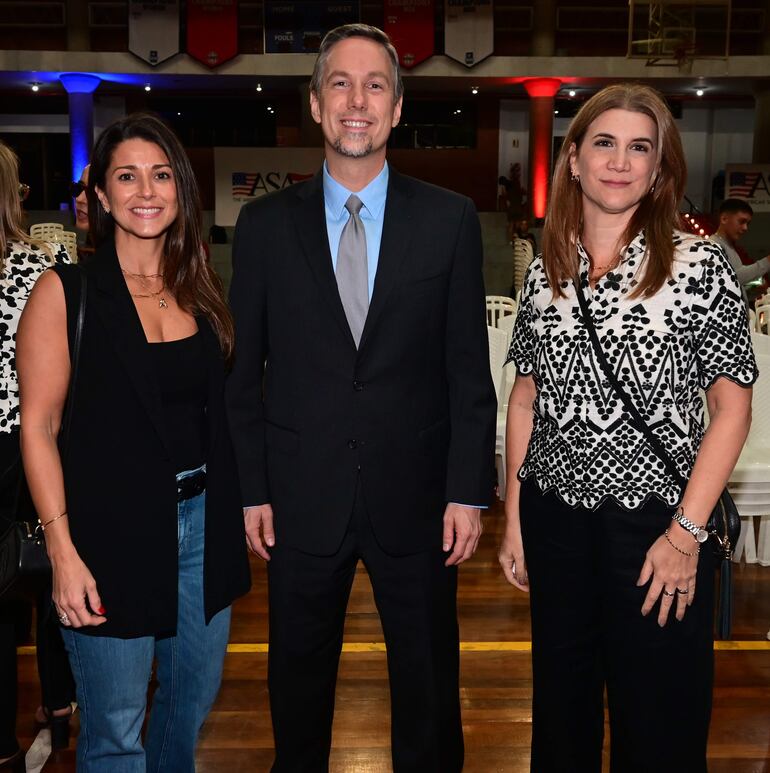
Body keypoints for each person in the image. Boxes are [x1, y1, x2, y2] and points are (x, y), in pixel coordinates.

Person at [226, 23, 496, 773]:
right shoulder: (263, 226)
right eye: (339, 84)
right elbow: (242, 376)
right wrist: (251, 489)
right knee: (297, 689)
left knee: (429, 691)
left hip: (416, 497)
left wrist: (468, 490)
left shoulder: (448, 221)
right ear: (315, 104)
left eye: (375, 84)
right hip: (299, 494)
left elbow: (468, 373)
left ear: (398, 106)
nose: (357, 101)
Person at [498, 84, 756, 772]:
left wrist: (685, 534)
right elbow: (523, 400)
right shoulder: (544, 271)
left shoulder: (700, 268)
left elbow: (732, 409)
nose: (620, 161)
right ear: (574, 161)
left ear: (660, 169)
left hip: (657, 529)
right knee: (562, 718)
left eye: (639, 147)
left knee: (660, 726)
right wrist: (516, 522)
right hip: (554, 522)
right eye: (603, 143)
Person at [16, 113, 251, 771]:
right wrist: (62, 552)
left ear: (180, 189)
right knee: (116, 729)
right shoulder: (65, 292)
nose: (146, 190)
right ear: (96, 193)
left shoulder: (196, 288)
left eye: (160, 173)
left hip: (201, 526)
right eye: (127, 175)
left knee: (187, 704)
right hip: (107, 532)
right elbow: (38, 426)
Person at [0, 139, 75, 772]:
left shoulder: (38, 269)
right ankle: (54, 711)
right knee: (43, 581)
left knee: (36, 581)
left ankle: (46, 717)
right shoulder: (39, 266)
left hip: (20, 442)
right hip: (27, 441)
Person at [710, 198, 770, 305]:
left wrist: (756, 288)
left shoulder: (729, 247)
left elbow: (732, 289)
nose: (745, 228)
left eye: (747, 223)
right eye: (742, 221)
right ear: (724, 219)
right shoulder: (713, 245)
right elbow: (734, 277)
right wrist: (768, 261)